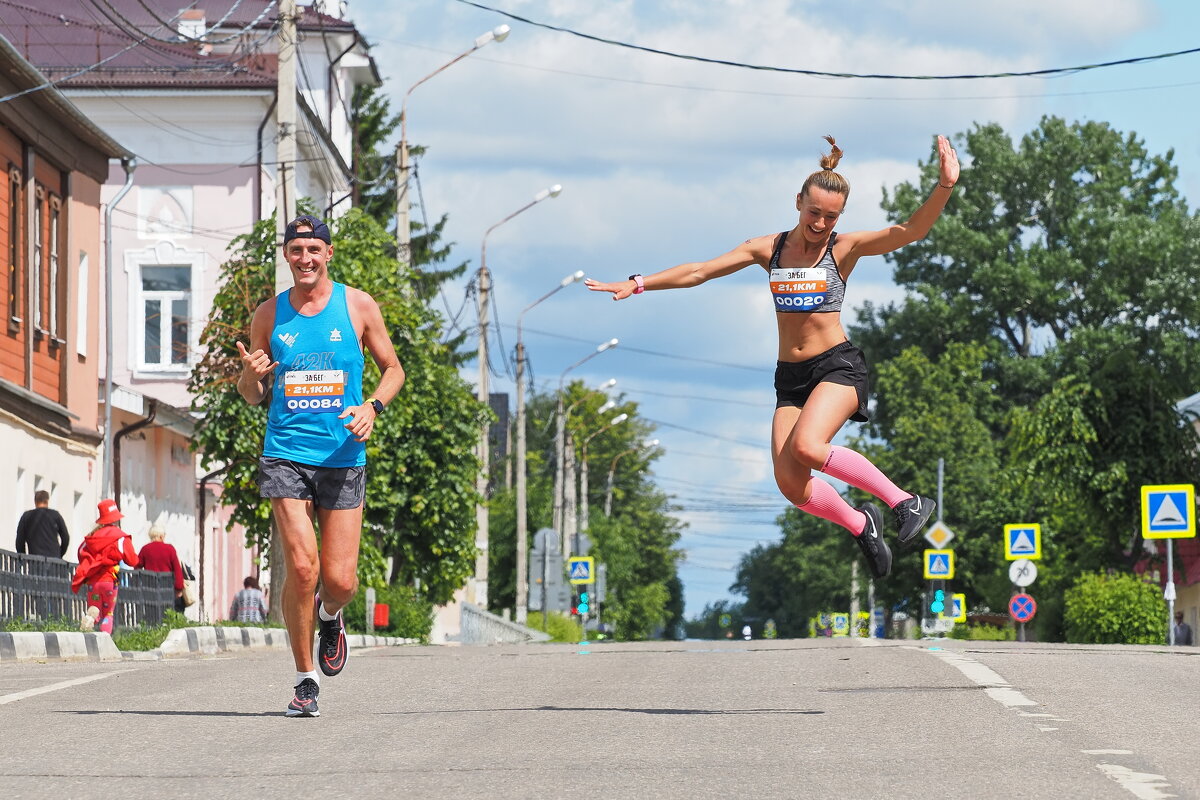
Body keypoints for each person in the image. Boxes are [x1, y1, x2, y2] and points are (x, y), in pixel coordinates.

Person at [586, 135, 959, 580]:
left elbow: (910, 232)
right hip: (792, 378)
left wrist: (944, 187)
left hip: (838, 366)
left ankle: (904, 501)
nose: (820, 223)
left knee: (807, 446)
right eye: (814, 212)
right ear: (798, 202)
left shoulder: (844, 249)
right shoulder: (770, 249)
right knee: (790, 483)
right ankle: (862, 524)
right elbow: (700, 270)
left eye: (831, 216)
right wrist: (640, 283)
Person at [236, 213, 404, 718]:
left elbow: (393, 369)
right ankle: (304, 677)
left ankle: (331, 617)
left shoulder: (357, 306)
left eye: (313, 249)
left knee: (341, 581)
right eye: (295, 250)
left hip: (343, 455)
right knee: (302, 568)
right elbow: (252, 396)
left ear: (328, 253)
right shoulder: (269, 315)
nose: (305, 259)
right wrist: (250, 376)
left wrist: (372, 407)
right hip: (286, 453)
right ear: (286, 256)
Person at [71, 499, 139, 634]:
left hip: (93, 582)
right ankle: (105, 640)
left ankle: (90, 621)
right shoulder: (120, 537)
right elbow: (132, 560)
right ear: (116, 518)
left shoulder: (92, 537)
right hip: (109, 581)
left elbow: (80, 552)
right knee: (108, 613)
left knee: (95, 611)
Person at [135, 523, 185, 612]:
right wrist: (179, 587)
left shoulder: (145, 549)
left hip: (150, 586)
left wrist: (140, 582)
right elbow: (177, 569)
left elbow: (137, 566)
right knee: (167, 610)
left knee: (151, 611)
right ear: (161, 536)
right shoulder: (169, 549)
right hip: (167, 586)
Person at [15, 489, 70, 559]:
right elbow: (65, 537)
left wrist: (23, 557)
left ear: (35, 502)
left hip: (35, 560)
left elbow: (20, 540)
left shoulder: (26, 516)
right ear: (47, 501)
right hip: (54, 562)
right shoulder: (55, 515)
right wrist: (60, 554)